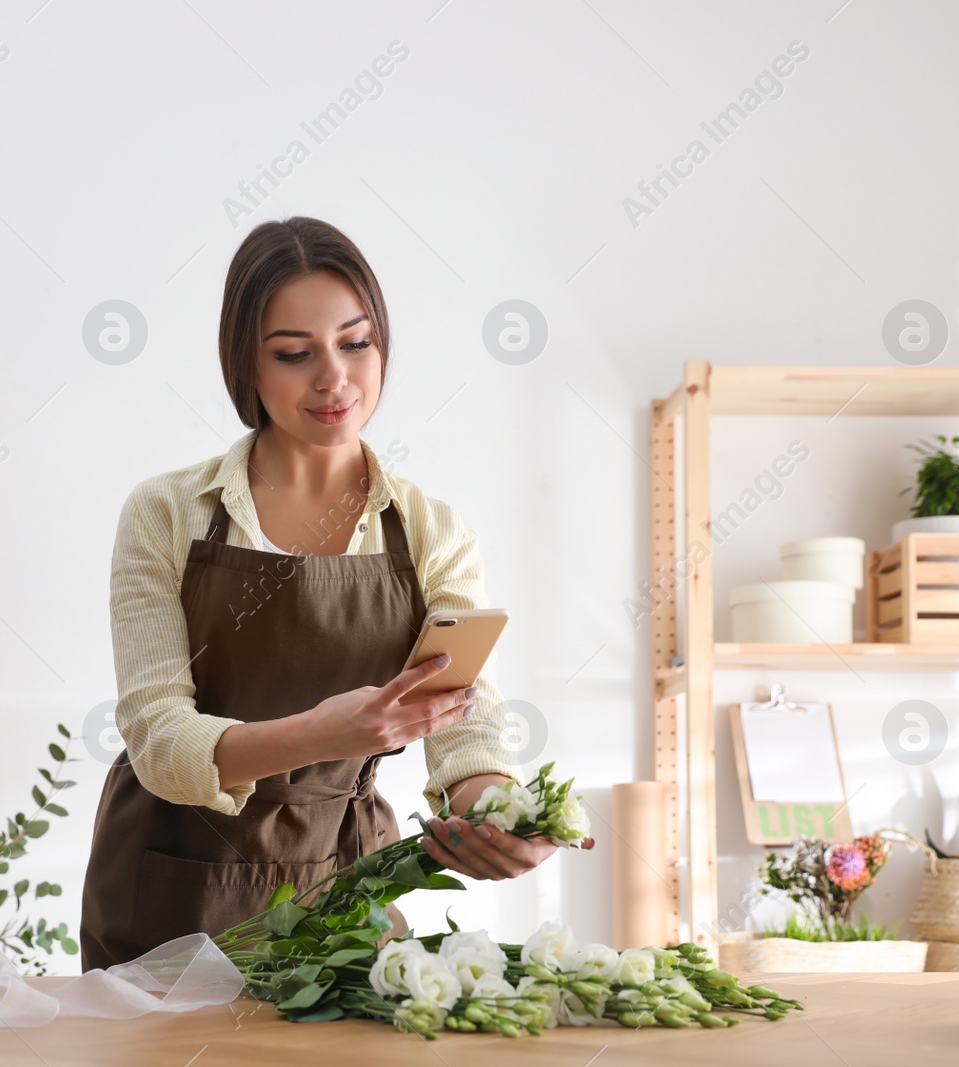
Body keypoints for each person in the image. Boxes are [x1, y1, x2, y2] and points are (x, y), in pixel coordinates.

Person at [79, 216, 586, 972]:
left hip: (344, 884)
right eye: (294, 353)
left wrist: (499, 815)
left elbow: (462, 716)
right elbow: (157, 736)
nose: (335, 378)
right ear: (245, 364)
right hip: (172, 886)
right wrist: (322, 733)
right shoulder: (166, 513)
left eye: (356, 342)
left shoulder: (429, 530)